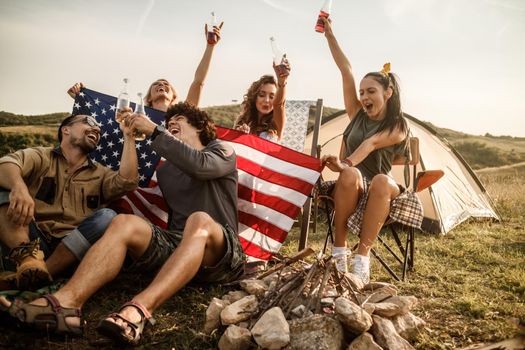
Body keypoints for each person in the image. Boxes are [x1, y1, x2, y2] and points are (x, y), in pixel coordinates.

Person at [0, 102, 245, 345]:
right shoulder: (167, 170)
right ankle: (65, 304)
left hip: (221, 251)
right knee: (123, 222)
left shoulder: (220, 150)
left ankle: (138, 310)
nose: (171, 125)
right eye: (167, 123)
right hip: (182, 248)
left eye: (178, 119)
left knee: (198, 218)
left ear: (200, 126)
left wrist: (154, 131)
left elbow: (201, 167)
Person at [320, 18, 421, 284]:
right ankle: (339, 252)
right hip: (352, 183)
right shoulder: (356, 114)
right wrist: (330, 35)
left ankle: (362, 258)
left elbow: (372, 143)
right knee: (351, 175)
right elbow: (346, 71)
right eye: (362, 92)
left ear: (388, 93)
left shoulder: (398, 124)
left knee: (379, 179)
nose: (364, 97)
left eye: (371, 91)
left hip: (381, 188)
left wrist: (346, 162)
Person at [0, 113, 139, 291]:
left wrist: (128, 137)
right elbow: (6, 164)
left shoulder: (100, 173)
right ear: (66, 130)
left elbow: (127, 182)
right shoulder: (42, 156)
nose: (96, 129)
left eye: (98, 129)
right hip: (30, 240)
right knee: (4, 190)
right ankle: (28, 262)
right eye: (88, 122)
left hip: (73, 251)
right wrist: (19, 188)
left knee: (108, 216)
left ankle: (42, 273)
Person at [67, 22, 224, 112]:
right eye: (156, 84)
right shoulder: (134, 115)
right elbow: (104, 115)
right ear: (148, 97)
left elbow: (198, 82)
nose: (161, 84)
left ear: (174, 97)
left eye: (165, 84)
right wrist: (81, 97)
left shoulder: (184, 113)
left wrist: (210, 46)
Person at [233, 58, 291, 142]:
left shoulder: (277, 123)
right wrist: (238, 135)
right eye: (262, 95)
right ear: (254, 97)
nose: (267, 100)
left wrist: (282, 81)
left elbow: (279, 105)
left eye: (272, 97)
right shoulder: (242, 121)